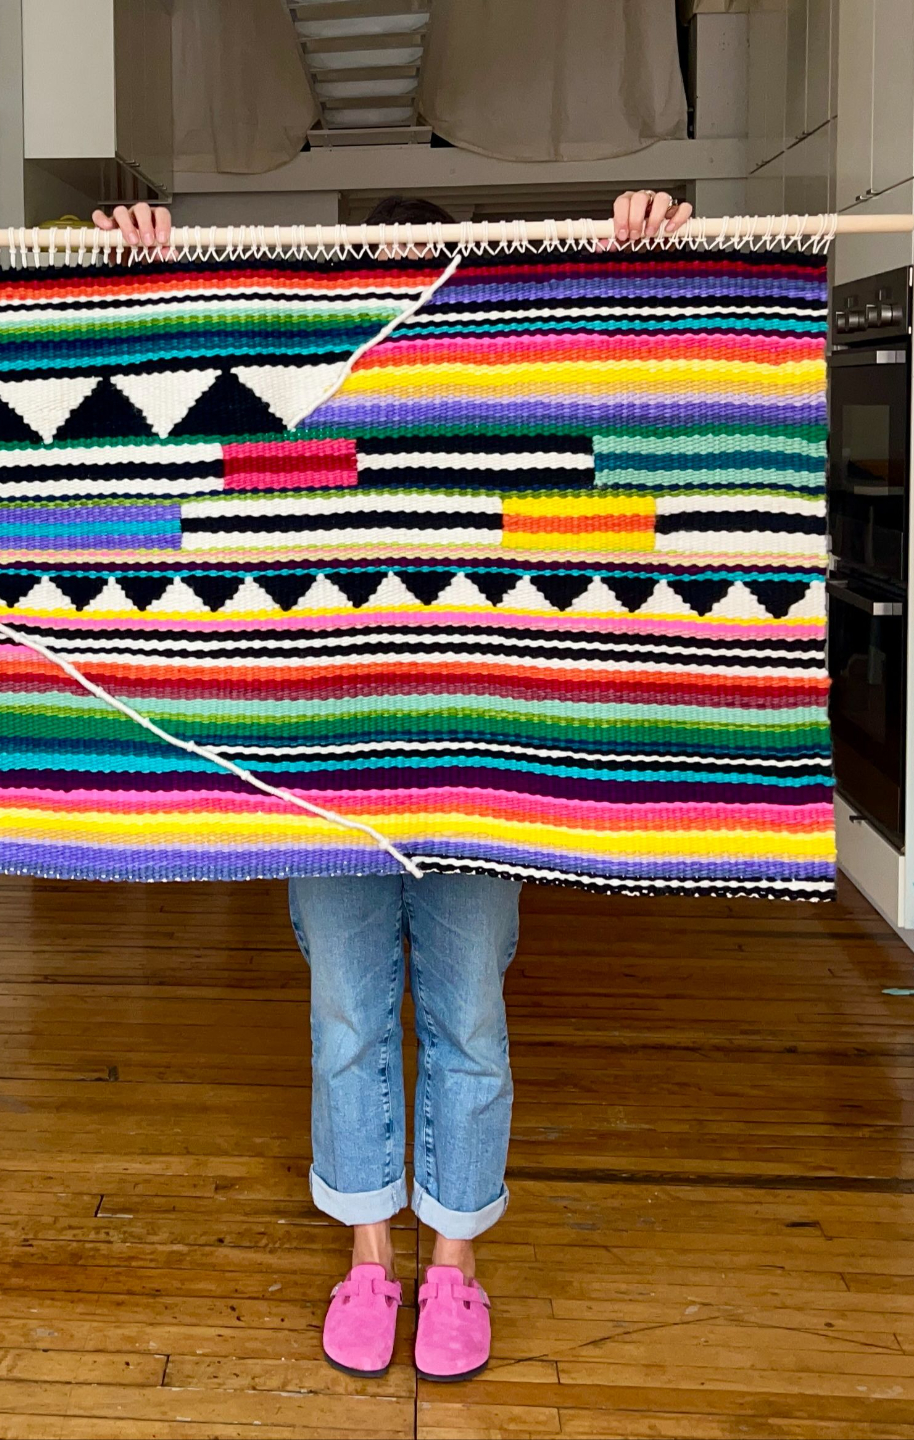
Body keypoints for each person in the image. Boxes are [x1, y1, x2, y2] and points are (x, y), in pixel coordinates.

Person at [94, 187, 695, 1381]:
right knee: (348, 1017)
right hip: (328, 764)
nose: (401, 308)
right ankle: (369, 1252)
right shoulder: (296, 379)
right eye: (378, 277)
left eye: (426, 276)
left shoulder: (502, 388)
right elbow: (178, 427)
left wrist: (642, 260)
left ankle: (455, 1270)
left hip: (476, 770)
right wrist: (143, 274)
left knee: (468, 1017)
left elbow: (617, 394)